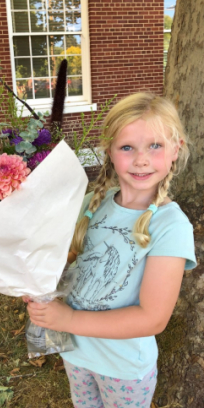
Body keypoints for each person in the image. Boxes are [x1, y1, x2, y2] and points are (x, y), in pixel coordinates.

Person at [26, 93, 197, 408]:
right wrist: (36, 285)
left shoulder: (171, 227)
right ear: (110, 151)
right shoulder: (94, 202)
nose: (141, 159)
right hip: (77, 354)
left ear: (177, 149)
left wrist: (68, 320)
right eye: (127, 147)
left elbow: (153, 319)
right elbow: (65, 263)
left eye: (155, 146)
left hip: (124, 368)